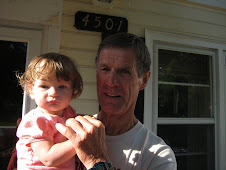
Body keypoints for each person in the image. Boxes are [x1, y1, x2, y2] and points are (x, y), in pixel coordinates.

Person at [56, 33, 177, 170]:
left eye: (124, 72)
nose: (111, 82)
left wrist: (96, 161)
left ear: (143, 80)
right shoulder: (72, 131)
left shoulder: (158, 156)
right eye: (105, 69)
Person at [16, 53, 83, 170]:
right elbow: (49, 158)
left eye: (61, 87)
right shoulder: (36, 120)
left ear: (73, 92)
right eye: (44, 86)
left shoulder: (69, 113)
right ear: (31, 90)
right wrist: (80, 140)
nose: (53, 93)